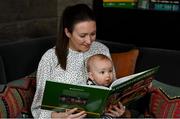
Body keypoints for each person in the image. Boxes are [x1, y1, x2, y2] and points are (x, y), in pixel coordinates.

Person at [31, 4, 126, 118]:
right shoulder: (50, 58)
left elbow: (112, 88)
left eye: (93, 34)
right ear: (68, 32)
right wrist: (56, 116)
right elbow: (37, 109)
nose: (89, 41)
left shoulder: (102, 49)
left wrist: (117, 109)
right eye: (82, 35)